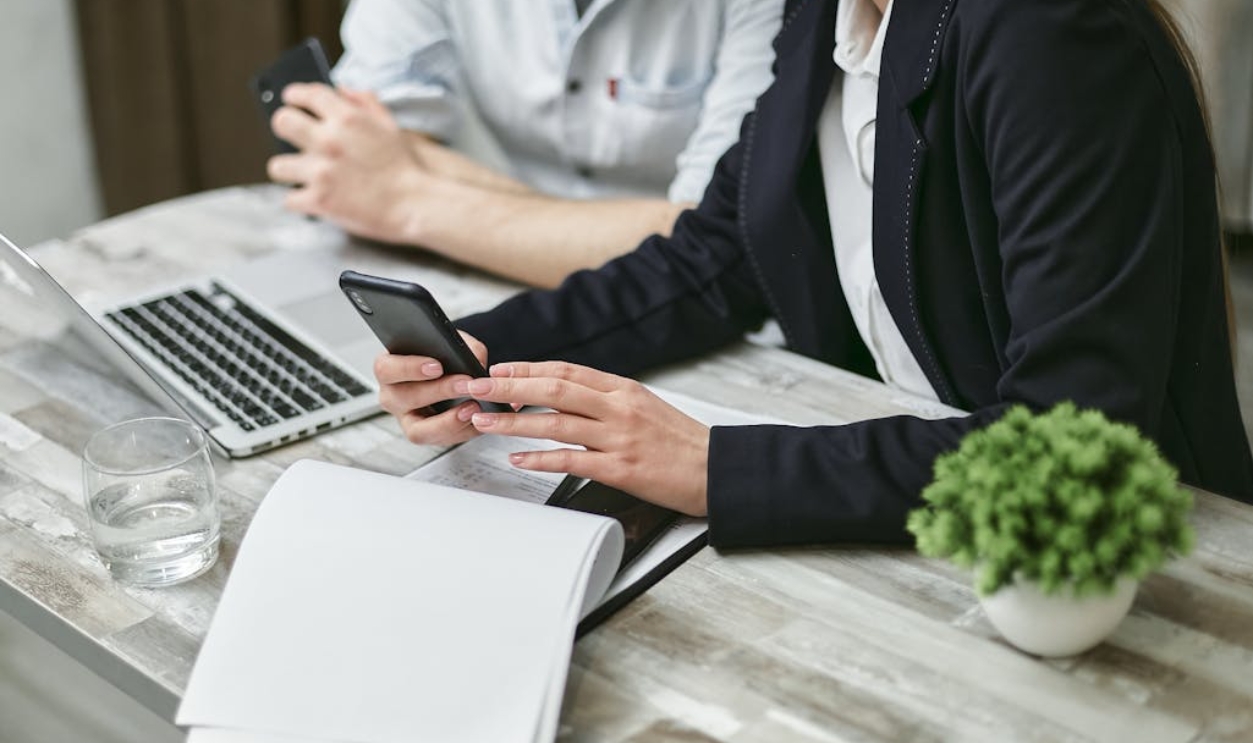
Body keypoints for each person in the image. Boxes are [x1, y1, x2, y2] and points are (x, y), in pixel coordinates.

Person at [372, 0, 1253, 548]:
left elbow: (1073, 448)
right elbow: (715, 257)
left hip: (1132, 570)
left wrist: (715, 466)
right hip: (922, 515)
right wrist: (485, 351)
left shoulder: (1047, 32)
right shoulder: (825, 20)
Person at [266, 0, 783, 288]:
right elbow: (365, 150)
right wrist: (568, 234)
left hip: (709, 323)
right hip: (480, 282)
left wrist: (402, 198)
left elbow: (707, 242)